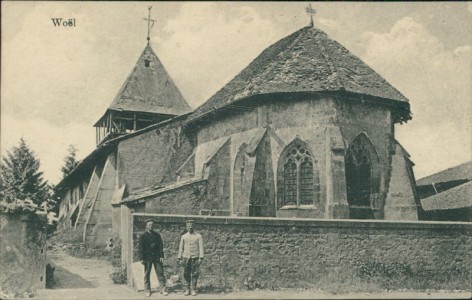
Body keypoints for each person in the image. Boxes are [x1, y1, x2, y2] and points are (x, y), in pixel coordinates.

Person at [139, 219, 168, 297]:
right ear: (146, 226)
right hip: (147, 258)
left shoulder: (157, 235)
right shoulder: (143, 236)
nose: (151, 226)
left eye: (152, 225)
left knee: (160, 273)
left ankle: (162, 289)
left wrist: (161, 256)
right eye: (149, 225)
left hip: (157, 257)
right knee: (147, 274)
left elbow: (160, 246)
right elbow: (141, 248)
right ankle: (147, 290)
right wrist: (142, 258)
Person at [178, 220, 204, 296]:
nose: (190, 227)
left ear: (194, 226)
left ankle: (193, 289)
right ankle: (187, 289)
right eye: (188, 226)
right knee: (186, 273)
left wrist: (201, 257)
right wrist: (179, 258)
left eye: (192, 225)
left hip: (195, 257)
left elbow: (201, 247)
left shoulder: (198, 236)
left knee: (195, 273)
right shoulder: (184, 236)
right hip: (185, 257)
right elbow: (181, 247)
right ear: (186, 227)